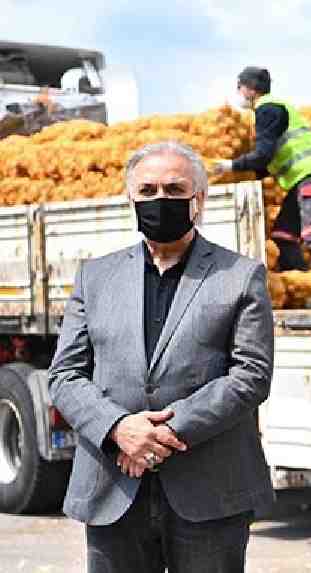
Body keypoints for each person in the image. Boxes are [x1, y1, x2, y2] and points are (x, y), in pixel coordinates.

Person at [50, 141, 276, 572]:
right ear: (131, 199)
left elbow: (251, 375)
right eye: (148, 190)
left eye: (174, 190)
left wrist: (163, 433)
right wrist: (118, 428)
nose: (160, 199)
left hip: (209, 490)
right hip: (114, 487)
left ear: (199, 200)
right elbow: (65, 375)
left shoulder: (240, 276)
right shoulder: (95, 277)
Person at [213, 66, 311, 307]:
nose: (238, 92)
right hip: (301, 177)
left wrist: (230, 166)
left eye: (239, 87)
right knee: (283, 234)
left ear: (250, 89)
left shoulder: (268, 109)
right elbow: (270, 158)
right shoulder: (272, 109)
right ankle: (303, 284)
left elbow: (264, 154)